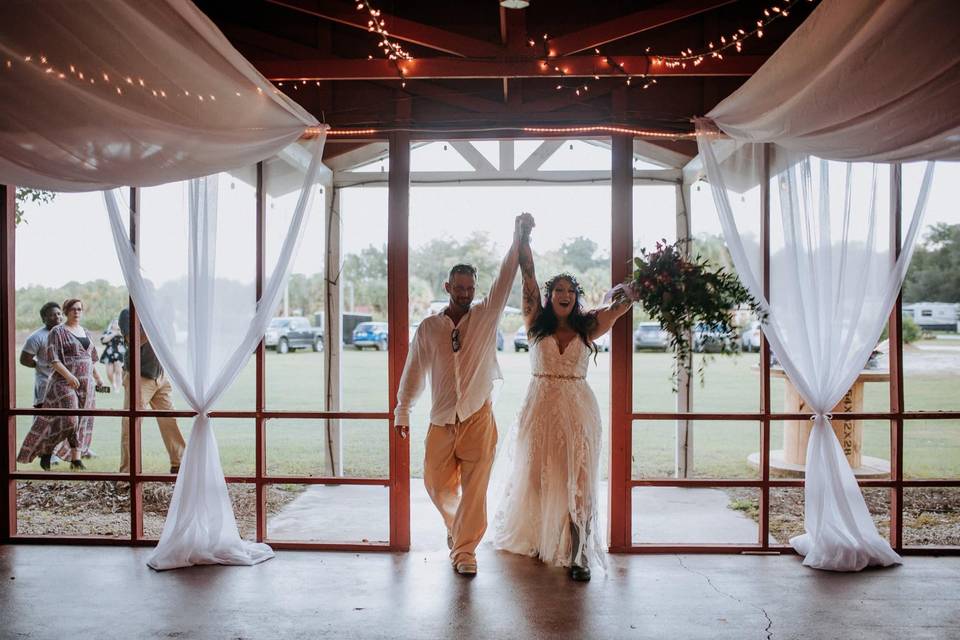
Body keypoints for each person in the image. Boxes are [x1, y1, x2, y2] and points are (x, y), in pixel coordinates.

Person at [395, 212, 533, 576]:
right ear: (447, 287)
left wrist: (518, 236)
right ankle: (458, 532)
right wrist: (402, 411)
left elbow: (505, 278)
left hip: (478, 417)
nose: (465, 294)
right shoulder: (429, 328)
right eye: (459, 288)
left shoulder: (485, 316)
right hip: (441, 420)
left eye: (470, 288)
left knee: (475, 490)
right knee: (435, 483)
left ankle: (465, 551)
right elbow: (413, 372)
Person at [493, 231, 630, 581]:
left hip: (579, 409)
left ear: (576, 297)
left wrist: (648, 281)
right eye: (558, 291)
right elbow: (528, 279)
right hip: (539, 407)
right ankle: (541, 539)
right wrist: (523, 239)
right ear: (550, 296)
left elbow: (622, 306)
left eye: (570, 291)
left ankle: (580, 553)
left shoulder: (590, 326)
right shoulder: (534, 323)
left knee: (579, 480)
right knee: (539, 476)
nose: (564, 295)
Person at [17, 298, 104, 471]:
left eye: (79, 309)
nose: (76, 312)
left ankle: (76, 460)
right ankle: (47, 449)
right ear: (66, 312)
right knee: (71, 419)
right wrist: (69, 376)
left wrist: (99, 379)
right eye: (73, 309)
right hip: (64, 382)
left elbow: (90, 359)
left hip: (86, 384)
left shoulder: (86, 332)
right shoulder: (57, 332)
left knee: (80, 420)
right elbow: (53, 360)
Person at [117, 307, 185, 475]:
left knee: (170, 420)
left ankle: (179, 464)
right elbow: (133, 340)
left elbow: (169, 343)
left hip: (160, 375)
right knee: (132, 424)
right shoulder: (128, 314)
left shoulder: (160, 313)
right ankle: (127, 473)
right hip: (139, 376)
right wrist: (154, 325)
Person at [99, 314, 125, 389]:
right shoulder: (108, 332)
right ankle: (113, 383)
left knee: (118, 371)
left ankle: (118, 387)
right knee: (109, 373)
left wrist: (118, 332)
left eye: (118, 323)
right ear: (112, 324)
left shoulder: (122, 332)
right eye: (115, 323)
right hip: (109, 354)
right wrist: (113, 334)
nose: (116, 324)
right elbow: (103, 340)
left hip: (119, 354)